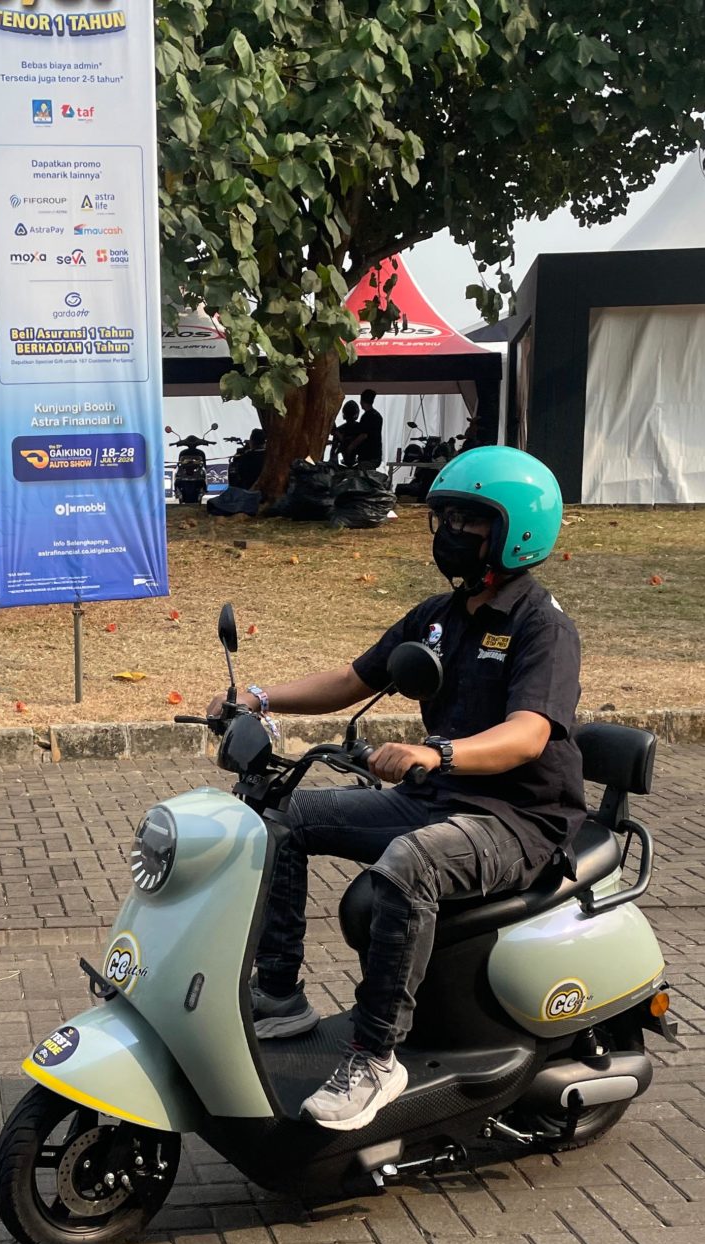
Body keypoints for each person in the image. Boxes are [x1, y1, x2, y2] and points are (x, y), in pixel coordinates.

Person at [208, 445, 583, 1131]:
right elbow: (353, 680)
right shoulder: (440, 616)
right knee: (278, 816)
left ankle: (376, 1056)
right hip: (439, 797)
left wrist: (436, 752)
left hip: (518, 818)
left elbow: (528, 735)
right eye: (445, 518)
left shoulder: (542, 627)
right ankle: (281, 995)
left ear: (516, 530)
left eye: (469, 520)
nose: (450, 533)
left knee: (411, 864)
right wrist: (258, 697)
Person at [353, 389, 386, 470]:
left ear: (362, 401)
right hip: (375, 455)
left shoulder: (366, 417)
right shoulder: (378, 416)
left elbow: (363, 435)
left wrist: (351, 446)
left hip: (367, 456)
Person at [329, 401, 363, 465]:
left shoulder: (339, 430)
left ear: (344, 414)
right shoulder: (361, 429)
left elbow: (333, 452)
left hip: (346, 464)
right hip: (359, 464)